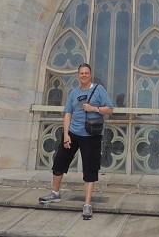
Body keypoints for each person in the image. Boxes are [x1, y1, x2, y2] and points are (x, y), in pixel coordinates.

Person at [39, 63, 114, 220]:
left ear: (90, 75)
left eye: (86, 73)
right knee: (59, 162)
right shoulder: (74, 92)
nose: (84, 75)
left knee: (90, 169)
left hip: (91, 135)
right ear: (78, 75)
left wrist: (94, 109)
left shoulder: (98, 89)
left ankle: (87, 205)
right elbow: (68, 114)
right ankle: (55, 193)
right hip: (73, 133)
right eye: (81, 73)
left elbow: (110, 109)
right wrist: (66, 134)